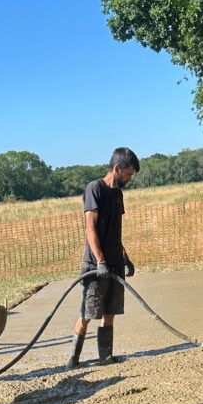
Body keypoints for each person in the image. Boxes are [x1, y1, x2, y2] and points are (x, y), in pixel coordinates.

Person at [67, 147, 140, 368]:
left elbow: (114, 231)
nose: (129, 179)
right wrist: (100, 261)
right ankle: (73, 359)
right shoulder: (94, 189)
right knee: (88, 313)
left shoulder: (118, 194)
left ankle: (105, 357)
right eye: (128, 174)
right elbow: (91, 228)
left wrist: (124, 256)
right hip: (96, 266)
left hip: (115, 264)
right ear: (117, 168)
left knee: (110, 313)